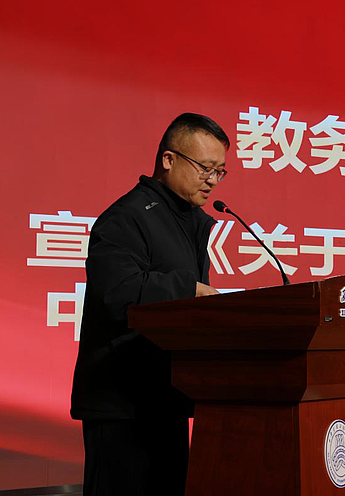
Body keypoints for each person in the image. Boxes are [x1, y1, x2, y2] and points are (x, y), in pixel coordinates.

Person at [70, 113, 229, 495]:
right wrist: (189, 289)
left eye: (220, 171)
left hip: (167, 399)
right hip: (122, 404)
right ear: (169, 159)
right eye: (205, 168)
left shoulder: (189, 221)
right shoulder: (126, 217)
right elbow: (117, 292)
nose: (212, 180)